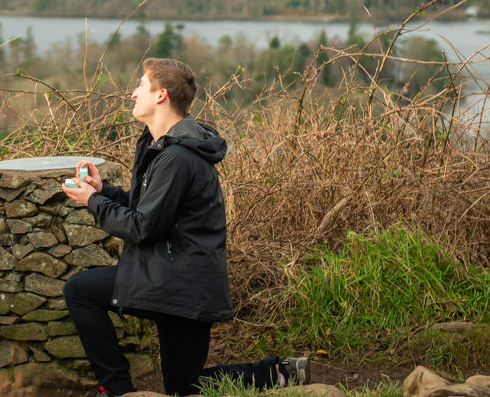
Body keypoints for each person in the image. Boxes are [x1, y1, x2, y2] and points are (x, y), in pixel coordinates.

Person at [61, 58, 308, 397]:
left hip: (181, 284)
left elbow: (143, 227)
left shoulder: (177, 158)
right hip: (171, 275)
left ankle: (117, 389)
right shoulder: (164, 147)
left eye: (140, 85)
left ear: (161, 95)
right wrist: (104, 191)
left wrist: (92, 201)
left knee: (81, 292)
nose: (133, 94)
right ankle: (277, 373)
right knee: (183, 385)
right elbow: (150, 208)